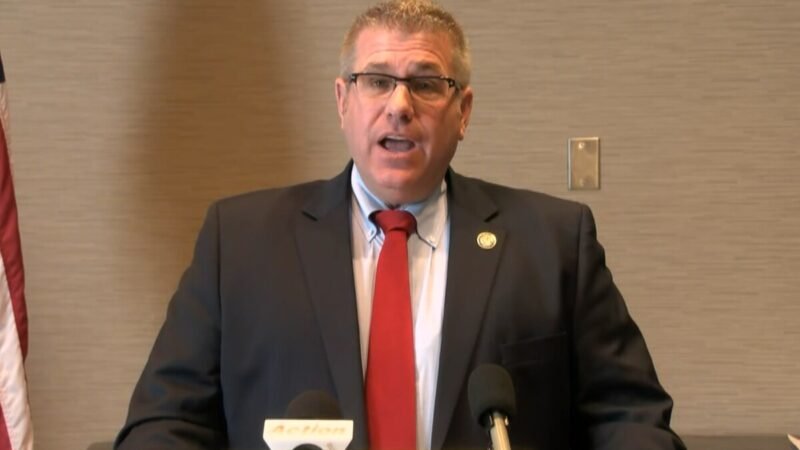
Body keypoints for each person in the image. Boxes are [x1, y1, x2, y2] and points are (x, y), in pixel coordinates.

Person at [115, 1, 685, 449]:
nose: (399, 105)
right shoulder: (239, 242)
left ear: (463, 112)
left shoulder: (554, 243)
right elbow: (164, 424)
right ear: (343, 100)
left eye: (427, 83)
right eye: (376, 80)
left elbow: (630, 417)